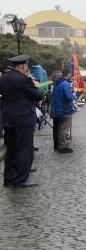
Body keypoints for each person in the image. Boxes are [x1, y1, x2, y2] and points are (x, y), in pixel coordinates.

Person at [0, 55, 43, 188]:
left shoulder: (3, 78)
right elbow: (38, 95)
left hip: (8, 118)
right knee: (25, 149)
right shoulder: (24, 80)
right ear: (24, 66)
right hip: (23, 119)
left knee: (11, 150)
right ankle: (21, 179)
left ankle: (9, 178)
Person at [51, 69, 74, 153]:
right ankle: (62, 146)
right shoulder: (65, 84)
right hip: (65, 108)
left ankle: (60, 144)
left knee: (60, 128)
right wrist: (73, 95)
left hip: (59, 108)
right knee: (63, 128)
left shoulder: (57, 83)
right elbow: (68, 97)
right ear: (68, 75)